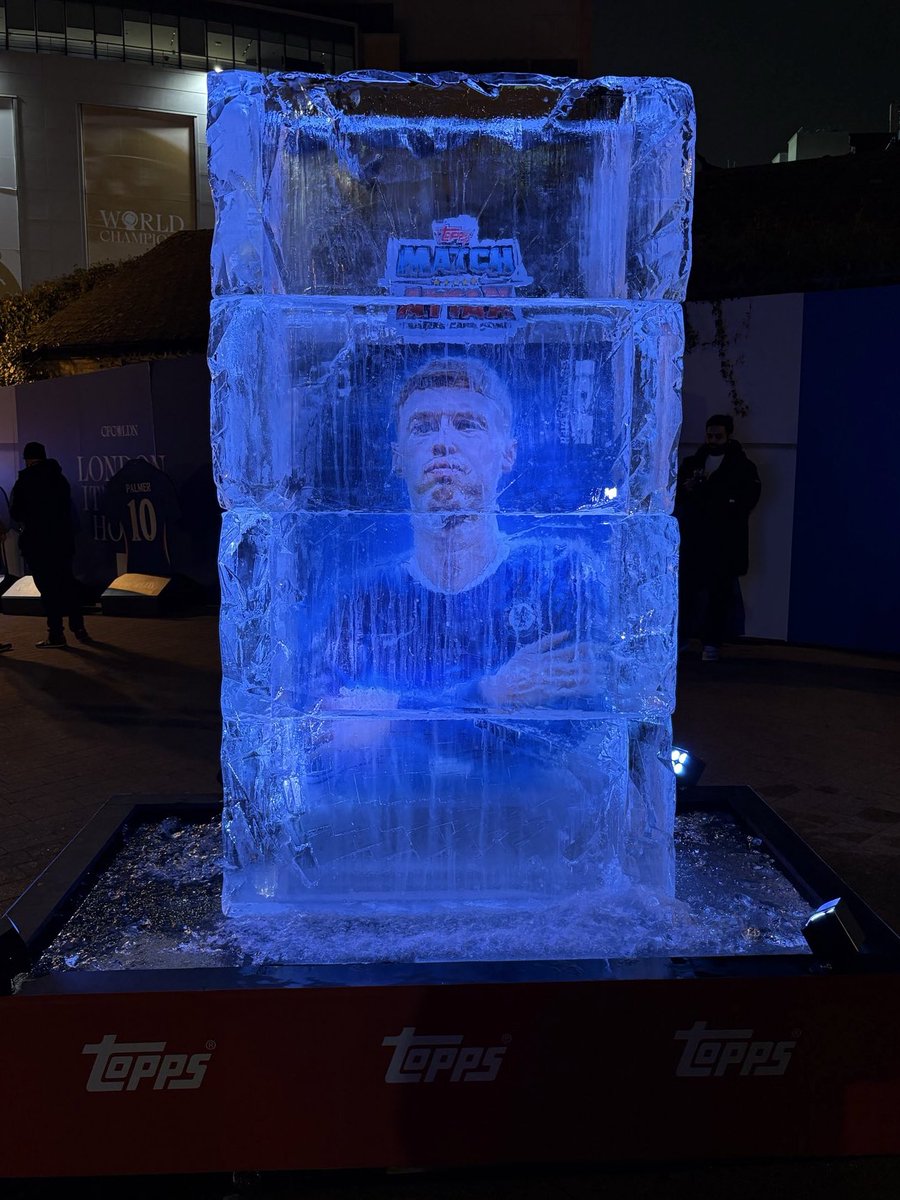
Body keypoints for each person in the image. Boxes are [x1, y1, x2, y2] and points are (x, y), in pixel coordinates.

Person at [675, 413, 761, 662]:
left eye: (717, 436)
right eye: (710, 435)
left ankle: (711, 642)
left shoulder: (742, 467)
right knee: (689, 592)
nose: (712, 440)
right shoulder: (694, 463)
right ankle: (689, 639)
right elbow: (678, 493)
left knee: (717, 594)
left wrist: (713, 498)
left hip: (722, 541)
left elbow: (747, 499)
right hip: (695, 539)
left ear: (728, 435)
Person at [9, 442, 92, 649]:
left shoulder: (24, 481)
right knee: (67, 583)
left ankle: (56, 634)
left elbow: (16, 513)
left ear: (27, 459)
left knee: (48, 590)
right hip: (62, 541)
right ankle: (79, 627)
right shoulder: (59, 478)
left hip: (37, 544)